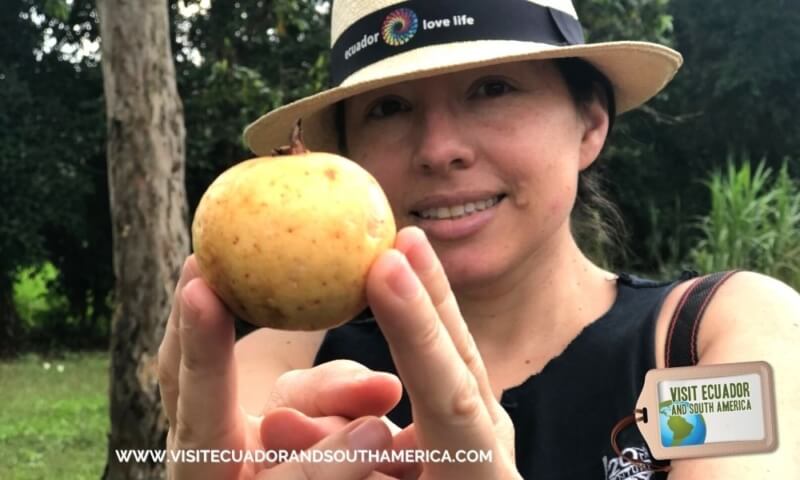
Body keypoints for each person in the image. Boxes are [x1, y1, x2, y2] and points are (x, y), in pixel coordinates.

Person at [157, 0, 800, 478]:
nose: (440, 150)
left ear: (590, 125)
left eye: (493, 89)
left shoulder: (704, 345)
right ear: (345, 158)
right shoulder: (279, 371)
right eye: (390, 107)